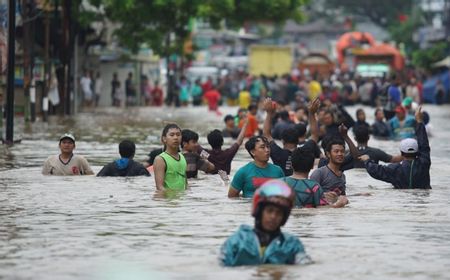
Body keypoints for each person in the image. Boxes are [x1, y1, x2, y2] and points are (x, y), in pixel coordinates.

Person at [220, 180, 312, 266]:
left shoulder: (291, 245)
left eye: (279, 213)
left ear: (284, 217)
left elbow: (305, 265)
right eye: (269, 211)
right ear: (259, 211)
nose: (273, 216)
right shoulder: (237, 241)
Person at [359, 106, 431, 189]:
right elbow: (424, 144)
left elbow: (376, 171)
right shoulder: (424, 163)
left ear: (401, 153)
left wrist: (367, 161)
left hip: (401, 200)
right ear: (417, 152)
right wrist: (419, 121)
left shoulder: (396, 169)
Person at [263, 97, 320, 176]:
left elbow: (266, 134)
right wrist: (312, 113)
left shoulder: (277, 153)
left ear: (282, 141)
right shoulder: (305, 152)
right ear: (298, 140)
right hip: (302, 185)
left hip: (283, 186)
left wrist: (269, 113)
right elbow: (315, 135)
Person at [282, 148, 348, 208]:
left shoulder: (279, 182)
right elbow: (323, 209)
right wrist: (340, 204)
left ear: (291, 165)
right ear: (312, 166)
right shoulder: (314, 187)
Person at [153, 124, 187, 191]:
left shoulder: (182, 157)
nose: (175, 137)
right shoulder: (160, 159)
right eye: (172, 135)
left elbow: (185, 183)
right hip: (168, 200)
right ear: (164, 139)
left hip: (181, 199)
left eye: (178, 135)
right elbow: (160, 187)